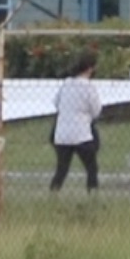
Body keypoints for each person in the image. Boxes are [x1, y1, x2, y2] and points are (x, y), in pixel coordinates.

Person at [50, 53, 104, 192]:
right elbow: (96, 110)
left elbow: (56, 103)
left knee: (62, 169)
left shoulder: (67, 83)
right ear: (90, 69)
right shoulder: (89, 87)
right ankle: (92, 193)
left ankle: (53, 193)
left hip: (62, 133)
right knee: (91, 168)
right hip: (81, 134)